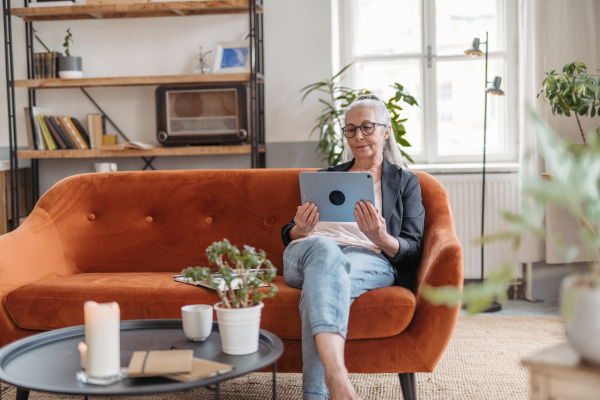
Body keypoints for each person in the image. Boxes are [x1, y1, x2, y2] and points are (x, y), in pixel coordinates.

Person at [281, 94, 425, 400]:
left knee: (320, 286)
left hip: (368, 258)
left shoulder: (406, 183)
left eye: (367, 127)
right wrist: (300, 228)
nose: (358, 136)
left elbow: (413, 247)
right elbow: (287, 233)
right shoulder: (324, 178)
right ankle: (338, 379)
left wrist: (380, 238)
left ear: (386, 131)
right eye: (350, 129)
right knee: (325, 251)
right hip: (308, 250)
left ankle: (320, 393)